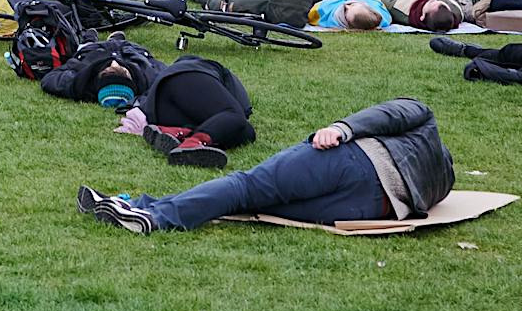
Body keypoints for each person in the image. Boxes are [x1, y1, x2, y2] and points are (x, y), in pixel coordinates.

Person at [78, 98, 453, 233]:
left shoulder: (426, 126)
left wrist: (342, 128)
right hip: (374, 207)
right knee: (250, 202)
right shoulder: (443, 180)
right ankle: (141, 207)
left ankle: (153, 216)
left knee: (245, 188)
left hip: (354, 162)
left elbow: (397, 110)